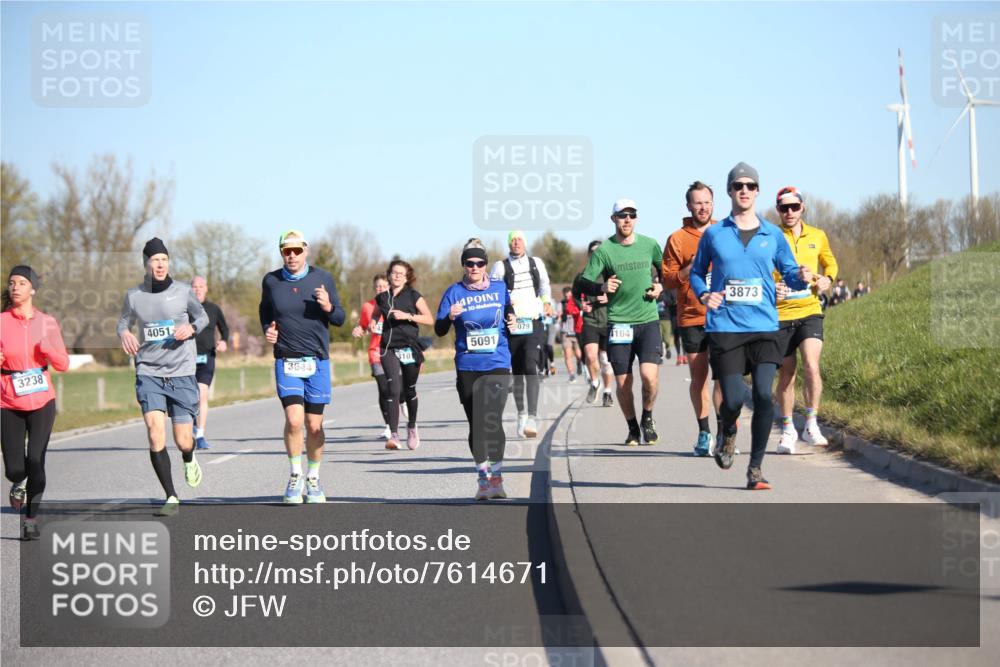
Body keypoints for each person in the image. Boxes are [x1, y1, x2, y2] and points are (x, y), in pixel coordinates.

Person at [689, 163, 812, 490]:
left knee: (762, 396)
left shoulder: (773, 234)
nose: (744, 190)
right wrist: (704, 294)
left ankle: (755, 469)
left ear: (757, 191)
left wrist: (800, 276)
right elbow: (697, 273)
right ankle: (727, 430)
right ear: (729, 191)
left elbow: (788, 272)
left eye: (750, 185)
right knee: (731, 400)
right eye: (738, 185)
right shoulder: (715, 234)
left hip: (764, 326)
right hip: (726, 327)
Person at [118, 238, 208, 515]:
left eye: (164, 260)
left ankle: (189, 456)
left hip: (181, 372)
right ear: (146, 263)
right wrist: (124, 332)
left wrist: (191, 328)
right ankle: (171, 495)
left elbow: (202, 317)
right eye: (155, 260)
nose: (160, 265)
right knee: (155, 433)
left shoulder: (182, 291)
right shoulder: (134, 295)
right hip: (149, 371)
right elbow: (123, 321)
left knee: (183, 440)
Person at [259, 230, 345, 504]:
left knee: (314, 426)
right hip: (287, 359)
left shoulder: (323, 278)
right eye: (287, 251)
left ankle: (313, 478)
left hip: (317, 360)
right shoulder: (271, 281)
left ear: (306, 251)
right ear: (281, 253)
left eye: (297, 250)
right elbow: (265, 310)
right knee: (295, 420)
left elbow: (340, 318)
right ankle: (295, 475)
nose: (292, 255)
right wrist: (267, 329)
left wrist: (328, 306)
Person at [578, 199, 664, 446]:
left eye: (632, 215)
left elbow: (667, 273)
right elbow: (584, 281)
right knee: (624, 383)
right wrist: (601, 287)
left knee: (649, 377)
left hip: (648, 320)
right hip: (619, 324)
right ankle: (632, 427)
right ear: (613, 218)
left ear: (636, 218)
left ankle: (648, 417)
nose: (627, 219)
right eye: (622, 215)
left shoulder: (650, 245)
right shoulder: (605, 250)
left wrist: (660, 287)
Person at [436, 239, 516, 500]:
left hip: (497, 362)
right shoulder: (454, 292)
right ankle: (483, 479)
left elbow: (509, 310)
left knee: (491, 419)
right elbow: (439, 330)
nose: (475, 267)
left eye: (480, 263)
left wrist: (513, 319)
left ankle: (497, 478)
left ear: (486, 265)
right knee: (477, 424)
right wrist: (450, 316)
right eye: (470, 263)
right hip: (468, 366)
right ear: (463, 265)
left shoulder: (499, 287)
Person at [1, 266, 70, 540]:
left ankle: (30, 519)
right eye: (12, 283)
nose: (15, 287)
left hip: (42, 402)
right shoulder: (2, 322)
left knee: (36, 460)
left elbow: (63, 364)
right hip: (8, 401)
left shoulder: (47, 322)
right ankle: (19, 482)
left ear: (33, 289)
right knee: (15, 469)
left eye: (21, 282)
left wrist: (49, 350)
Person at [772, 187, 839, 453]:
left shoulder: (818, 235)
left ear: (803, 208)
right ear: (778, 210)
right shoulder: (770, 236)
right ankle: (788, 429)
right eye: (784, 208)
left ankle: (811, 424)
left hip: (809, 309)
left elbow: (830, 264)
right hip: (780, 313)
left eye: (794, 207)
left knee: (812, 365)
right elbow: (759, 268)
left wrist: (827, 279)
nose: (789, 212)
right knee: (787, 374)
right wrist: (771, 287)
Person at [662, 180, 724, 457]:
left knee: (725, 376)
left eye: (707, 202)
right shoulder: (677, 239)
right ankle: (704, 432)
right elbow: (667, 280)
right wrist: (690, 268)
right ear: (689, 206)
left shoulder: (726, 231)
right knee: (699, 377)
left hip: (725, 316)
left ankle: (724, 433)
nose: (703, 207)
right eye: (698, 203)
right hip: (692, 316)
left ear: (713, 204)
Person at [491, 231, 553, 439]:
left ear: (524, 243)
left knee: (530, 365)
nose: (516, 243)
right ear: (509, 244)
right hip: (512, 325)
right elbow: (493, 293)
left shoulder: (536, 263)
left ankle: (532, 417)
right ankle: (521, 414)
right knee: (517, 372)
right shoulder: (500, 267)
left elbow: (544, 285)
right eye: (512, 240)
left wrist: (546, 302)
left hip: (533, 321)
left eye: (519, 239)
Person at [375, 260, 434, 450]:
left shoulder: (413, 295)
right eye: (394, 272)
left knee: (409, 390)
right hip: (388, 348)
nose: (397, 276)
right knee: (393, 389)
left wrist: (408, 316)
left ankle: (412, 426)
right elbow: (376, 314)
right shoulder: (382, 297)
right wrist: (368, 324)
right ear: (389, 275)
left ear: (407, 277)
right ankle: (394, 435)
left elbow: (429, 319)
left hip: (409, 347)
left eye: (401, 273)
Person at [573, 240, 615, 407]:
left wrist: (609, 298)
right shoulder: (582, 275)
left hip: (608, 320)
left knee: (605, 360)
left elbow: (622, 293)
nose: (596, 254)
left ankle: (607, 392)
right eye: (593, 252)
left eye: (599, 251)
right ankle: (595, 383)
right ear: (589, 255)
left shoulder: (610, 273)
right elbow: (575, 295)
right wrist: (581, 305)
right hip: (590, 320)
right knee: (590, 355)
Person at [190, 276, 230, 450]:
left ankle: (200, 435)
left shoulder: (213, 309)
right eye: (194, 286)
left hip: (207, 358)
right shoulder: (183, 310)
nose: (198, 289)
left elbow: (224, 329)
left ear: (206, 288)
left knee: (201, 394)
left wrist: (224, 341)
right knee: (188, 398)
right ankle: (191, 422)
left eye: (201, 286)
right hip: (186, 359)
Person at [352, 275, 392, 441]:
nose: (380, 289)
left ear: (389, 286)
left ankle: (402, 400)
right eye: (377, 286)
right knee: (383, 389)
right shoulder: (368, 306)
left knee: (398, 389)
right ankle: (389, 426)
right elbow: (363, 325)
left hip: (395, 351)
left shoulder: (396, 304)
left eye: (383, 286)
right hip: (376, 352)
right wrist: (358, 330)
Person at [559, 286, 583, 381]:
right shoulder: (561, 304)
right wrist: (559, 316)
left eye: (569, 295)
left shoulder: (577, 303)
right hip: (566, 332)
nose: (567, 297)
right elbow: (559, 314)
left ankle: (579, 362)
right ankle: (571, 374)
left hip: (576, 331)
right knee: (567, 354)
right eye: (566, 296)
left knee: (578, 354)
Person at [658, 288, 683, 363]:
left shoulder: (668, 291)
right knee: (659, 338)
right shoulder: (655, 292)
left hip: (667, 318)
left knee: (667, 339)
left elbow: (670, 302)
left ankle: (669, 348)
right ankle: (661, 357)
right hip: (658, 319)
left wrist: (670, 301)